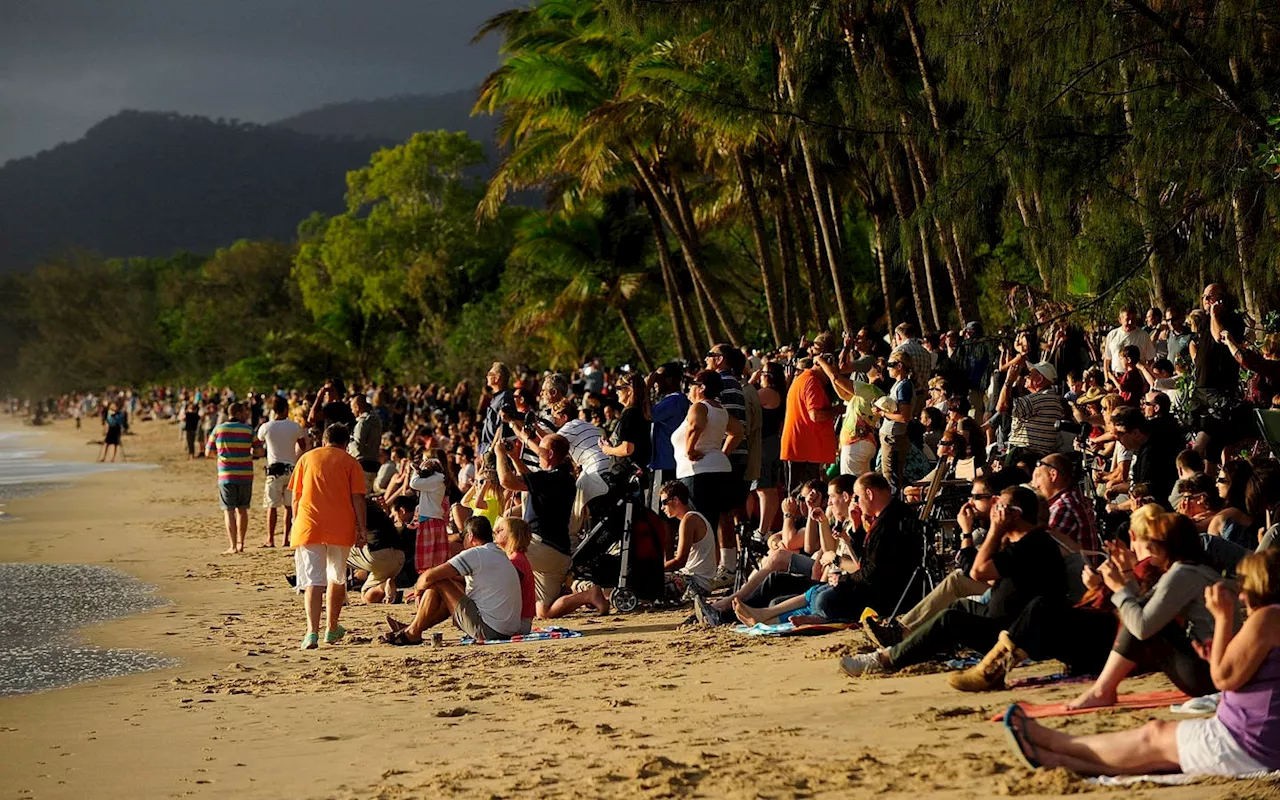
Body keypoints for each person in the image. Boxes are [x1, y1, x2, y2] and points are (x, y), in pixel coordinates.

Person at [1003, 548, 1280, 777]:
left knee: (1153, 736)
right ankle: (1054, 758)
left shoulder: (1268, 617)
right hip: (1259, 740)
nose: (1242, 595)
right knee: (1152, 759)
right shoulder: (1271, 619)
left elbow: (1223, 679)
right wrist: (1219, 653)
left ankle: (1053, 743)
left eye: (1245, 586)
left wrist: (1223, 617)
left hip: (1244, 741)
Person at [840, 485, 1065, 678]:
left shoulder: (1032, 545)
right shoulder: (1025, 542)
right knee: (959, 607)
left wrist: (991, 530)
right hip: (1001, 618)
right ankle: (908, 645)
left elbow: (976, 571)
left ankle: (884, 659)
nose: (995, 512)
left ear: (1014, 515)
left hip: (1010, 633)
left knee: (950, 618)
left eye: (1000, 508)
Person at [382, 517, 523, 644]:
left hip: (489, 630)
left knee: (440, 582)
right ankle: (414, 627)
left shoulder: (476, 553)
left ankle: (413, 631)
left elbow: (429, 576)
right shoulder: (498, 554)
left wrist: (418, 592)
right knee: (449, 585)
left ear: (471, 536)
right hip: (507, 629)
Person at [288, 423, 367, 649]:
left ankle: (311, 633)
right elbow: (358, 499)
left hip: (309, 526)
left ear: (324, 440)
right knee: (336, 577)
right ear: (345, 443)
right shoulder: (351, 462)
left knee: (313, 580)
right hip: (341, 526)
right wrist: (362, 529)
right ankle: (331, 628)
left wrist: (295, 523)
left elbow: (296, 497)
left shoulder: (306, 458)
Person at [494, 434, 578, 618]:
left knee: (495, 555)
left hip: (539, 547)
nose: (537, 454)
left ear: (549, 454)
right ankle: (588, 596)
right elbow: (531, 481)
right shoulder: (564, 478)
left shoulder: (551, 478)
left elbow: (507, 482)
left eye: (540, 450)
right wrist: (515, 458)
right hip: (559, 554)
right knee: (544, 611)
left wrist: (499, 454)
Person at [672, 370, 744, 542]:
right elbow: (738, 432)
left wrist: (690, 450)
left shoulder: (699, 406)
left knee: (700, 521)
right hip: (720, 468)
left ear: (701, 388)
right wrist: (722, 454)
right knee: (723, 519)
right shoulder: (721, 410)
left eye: (692, 385)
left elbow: (696, 425)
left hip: (697, 472)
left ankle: (704, 564)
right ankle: (727, 564)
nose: (689, 389)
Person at [780, 334, 839, 489]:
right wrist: (839, 409)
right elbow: (816, 415)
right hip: (802, 451)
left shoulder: (806, 379)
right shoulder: (811, 381)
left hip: (804, 450)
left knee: (806, 495)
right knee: (803, 496)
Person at [256, 396, 307, 547]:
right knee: (289, 506)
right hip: (291, 469)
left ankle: (270, 539)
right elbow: (302, 445)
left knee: (271, 506)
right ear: (286, 409)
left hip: (274, 469)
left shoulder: (266, 427)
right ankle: (285, 538)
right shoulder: (294, 427)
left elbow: (259, 442)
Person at [205, 401, 255, 554]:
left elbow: (208, 452)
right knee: (242, 510)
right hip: (245, 475)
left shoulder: (218, 429)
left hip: (226, 475)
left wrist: (222, 456)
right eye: (245, 412)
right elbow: (259, 451)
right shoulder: (248, 430)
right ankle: (241, 544)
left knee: (229, 510)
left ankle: (233, 545)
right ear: (238, 413)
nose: (247, 414)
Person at [658, 480, 717, 600]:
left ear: (675, 500)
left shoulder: (689, 520)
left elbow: (680, 561)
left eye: (664, 502)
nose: (662, 507)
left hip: (695, 582)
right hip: (701, 581)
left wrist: (654, 569)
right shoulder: (694, 517)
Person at [998, 360, 1063, 466]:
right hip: (1035, 456)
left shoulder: (1039, 399)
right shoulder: (1053, 399)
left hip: (1023, 456)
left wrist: (1009, 381)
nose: (1025, 377)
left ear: (1039, 379)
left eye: (1029, 374)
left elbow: (1002, 406)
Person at [647, 363, 691, 507]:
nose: (655, 383)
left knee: (659, 510)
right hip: (673, 463)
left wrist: (646, 388)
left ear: (670, 380)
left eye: (658, 378)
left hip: (664, 464)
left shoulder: (673, 400)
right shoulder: (679, 399)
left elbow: (648, 414)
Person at [347, 498, 405, 604]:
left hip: (377, 554)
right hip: (399, 556)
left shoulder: (350, 506)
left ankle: (340, 596)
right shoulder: (372, 504)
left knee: (336, 553)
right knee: (366, 596)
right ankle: (384, 586)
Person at [495, 516, 536, 635]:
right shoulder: (517, 558)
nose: (496, 531)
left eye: (501, 530)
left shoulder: (516, 561)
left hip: (518, 622)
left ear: (512, 536)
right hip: (519, 620)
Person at [1103, 307, 1156, 378]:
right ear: (1120, 320)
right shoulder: (1112, 335)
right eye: (1127, 319)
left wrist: (1148, 379)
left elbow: (1150, 360)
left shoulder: (1143, 335)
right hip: (1117, 378)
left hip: (1137, 379)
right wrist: (1107, 379)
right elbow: (1107, 360)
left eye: (1133, 319)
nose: (1130, 322)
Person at [348, 394, 383, 492]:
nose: (352, 411)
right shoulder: (377, 421)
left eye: (352, 408)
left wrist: (349, 442)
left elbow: (358, 447)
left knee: (360, 495)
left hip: (362, 464)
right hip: (374, 462)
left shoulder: (362, 423)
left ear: (357, 407)